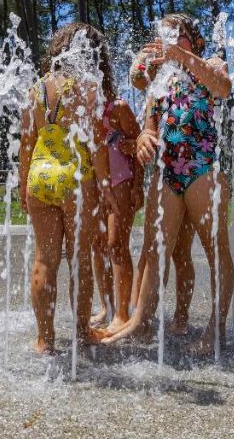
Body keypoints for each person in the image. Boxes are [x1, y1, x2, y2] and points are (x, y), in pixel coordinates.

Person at [104, 14, 234, 355]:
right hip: (167, 170)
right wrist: (146, 136)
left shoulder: (210, 63)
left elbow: (223, 87)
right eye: (166, 38)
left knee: (214, 250)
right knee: (154, 249)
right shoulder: (162, 79)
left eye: (178, 36)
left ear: (195, 41)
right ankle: (139, 323)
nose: (170, 43)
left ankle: (215, 330)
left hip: (202, 169)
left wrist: (182, 57)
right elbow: (149, 122)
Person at [18, 23, 114, 354]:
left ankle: (44, 340)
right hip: (76, 178)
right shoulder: (87, 89)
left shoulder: (37, 90)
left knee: (44, 259)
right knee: (79, 259)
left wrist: (22, 186)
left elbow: (26, 144)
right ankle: (82, 332)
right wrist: (105, 185)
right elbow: (97, 143)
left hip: (40, 177)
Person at [89, 89, 143, 331]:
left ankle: (122, 314)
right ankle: (106, 306)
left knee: (116, 243)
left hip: (121, 181)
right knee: (98, 245)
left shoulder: (118, 107)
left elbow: (140, 143)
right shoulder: (83, 106)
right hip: (94, 182)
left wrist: (138, 187)